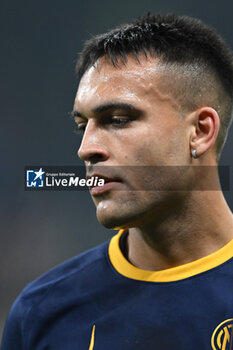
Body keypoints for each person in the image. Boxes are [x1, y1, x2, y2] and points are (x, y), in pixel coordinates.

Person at [1, 13, 233, 350]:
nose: (86, 150)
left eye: (119, 120)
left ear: (200, 132)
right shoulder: (41, 313)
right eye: (83, 126)